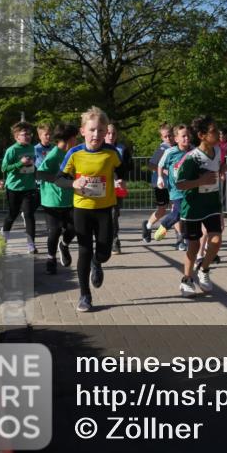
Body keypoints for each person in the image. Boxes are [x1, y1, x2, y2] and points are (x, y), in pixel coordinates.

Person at [56, 106, 126, 313]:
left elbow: (121, 170)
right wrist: (73, 184)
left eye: (101, 131)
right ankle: (85, 295)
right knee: (84, 251)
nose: (96, 135)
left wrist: (120, 181)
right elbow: (59, 178)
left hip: (105, 209)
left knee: (104, 252)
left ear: (106, 132)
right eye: (92, 130)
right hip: (82, 209)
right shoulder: (74, 153)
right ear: (83, 131)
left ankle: (98, 262)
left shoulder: (112, 152)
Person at [174, 115, 226, 297]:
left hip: (211, 204)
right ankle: (187, 280)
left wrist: (222, 169)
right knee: (194, 246)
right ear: (202, 135)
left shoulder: (218, 151)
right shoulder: (192, 158)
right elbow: (180, 184)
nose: (218, 134)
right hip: (193, 206)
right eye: (213, 131)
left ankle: (203, 269)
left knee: (216, 240)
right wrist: (200, 180)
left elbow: (219, 164)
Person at [36, 124, 78, 275]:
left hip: (69, 199)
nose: (77, 141)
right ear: (70, 139)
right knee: (54, 231)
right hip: (52, 200)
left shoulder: (72, 153)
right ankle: (51, 259)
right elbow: (39, 174)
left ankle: (64, 245)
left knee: (74, 228)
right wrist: (60, 178)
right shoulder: (55, 153)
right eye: (76, 138)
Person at [0, 121, 39, 253]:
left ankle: (31, 244)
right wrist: (19, 163)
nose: (28, 136)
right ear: (17, 137)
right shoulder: (12, 150)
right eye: (24, 134)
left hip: (29, 187)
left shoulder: (32, 148)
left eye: (29, 134)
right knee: (12, 215)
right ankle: (3, 237)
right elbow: (4, 168)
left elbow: (33, 165)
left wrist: (36, 172)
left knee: (29, 215)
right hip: (14, 188)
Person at [155, 123, 192, 249]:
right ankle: (164, 224)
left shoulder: (194, 151)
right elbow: (160, 165)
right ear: (176, 139)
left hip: (191, 188)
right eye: (183, 136)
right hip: (176, 189)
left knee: (188, 215)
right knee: (179, 212)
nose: (186, 138)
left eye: (188, 135)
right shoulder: (170, 152)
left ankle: (186, 240)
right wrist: (160, 178)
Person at [142, 123, 175, 243]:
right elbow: (151, 164)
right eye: (165, 136)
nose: (168, 138)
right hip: (160, 183)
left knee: (175, 209)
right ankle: (148, 226)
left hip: (174, 185)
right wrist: (163, 171)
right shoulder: (162, 149)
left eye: (170, 135)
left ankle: (180, 238)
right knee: (162, 210)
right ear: (162, 138)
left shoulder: (178, 147)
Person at [104, 123, 133, 255]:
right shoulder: (97, 147)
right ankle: (103, 240)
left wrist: (121, 177)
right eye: (108, 133)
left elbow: (129, 166)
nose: (110, 136)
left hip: (117, 186)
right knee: (103, 216)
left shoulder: (122, 149)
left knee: (114, 214)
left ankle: (114, 241)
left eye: (113, 133)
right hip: (100, 188)